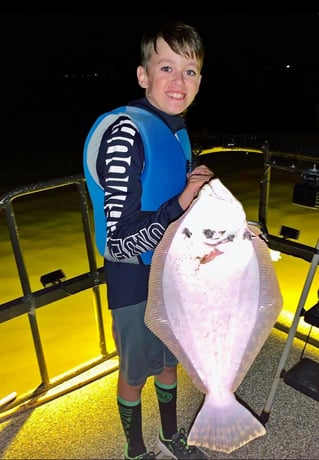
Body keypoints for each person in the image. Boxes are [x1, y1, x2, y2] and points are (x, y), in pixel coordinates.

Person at [83, 19, 214, 460]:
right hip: (133, 278)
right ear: (144, 75)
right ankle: (135, 448)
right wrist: (182, 202)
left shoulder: (176, 130)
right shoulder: (125, 133)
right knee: (137, 369)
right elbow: (119, 242)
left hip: (172, 272)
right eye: (166, 68)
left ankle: (170, 435)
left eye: (190, 70)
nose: (179, 81)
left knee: (169, 360)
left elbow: (172, 202)